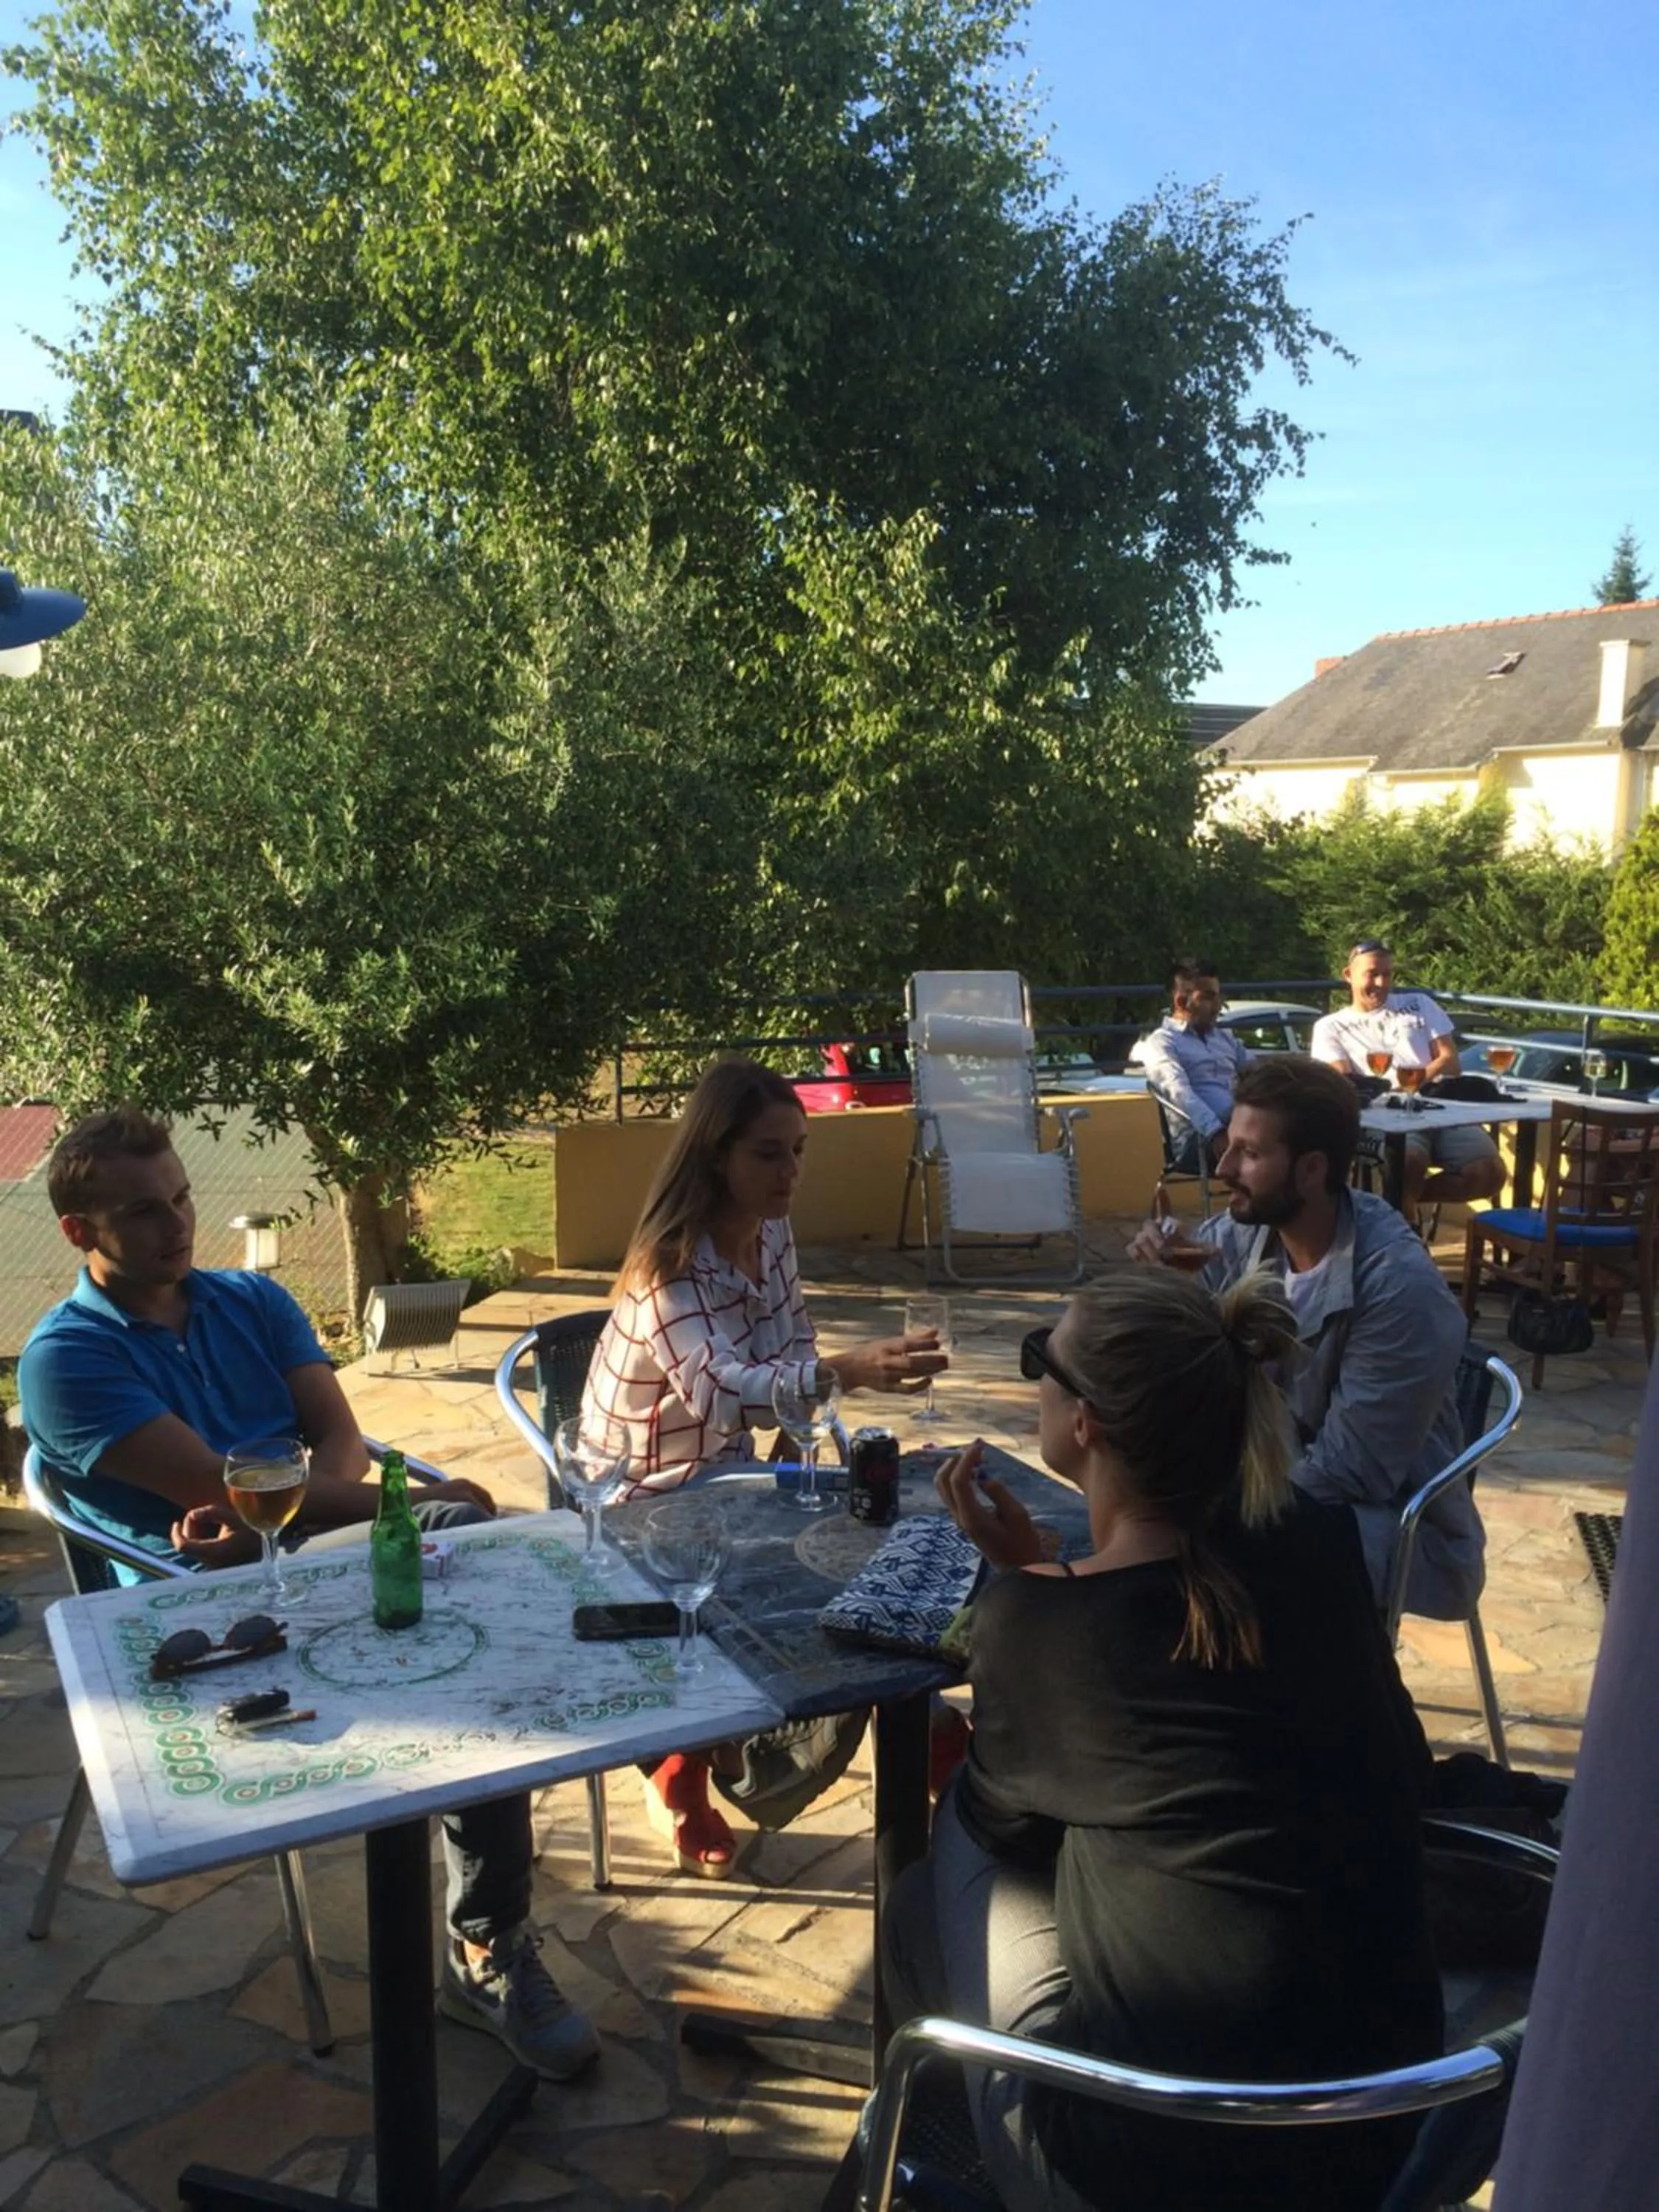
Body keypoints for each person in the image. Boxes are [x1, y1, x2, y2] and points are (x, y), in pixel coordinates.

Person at [19, 1108, 599, 2084]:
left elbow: (335, 1438)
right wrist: (402, 1506)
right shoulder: (66, 1359)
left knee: (476, 1624)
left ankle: (486, 1937)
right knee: (456, 1553)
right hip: (199, 1616)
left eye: (182, 1198)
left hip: (292, 1555)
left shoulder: (251, 1299)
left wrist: (285, 1514)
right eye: (145, 1211)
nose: (177, 1224)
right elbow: (214, 1486)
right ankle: (488, 1941)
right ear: (81, 1231)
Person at [883, 1270, 1442, 2212]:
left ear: (1087, 1423)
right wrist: (1043, 1582)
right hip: (1391, 2117)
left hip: (1163, 2166)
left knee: (937, 1877)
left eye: (1041, 1358)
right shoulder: (1315, 1538)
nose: (1034, 1375)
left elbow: (1003, 1826)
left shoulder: (1052, 1629)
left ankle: (957, 2158)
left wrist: (1021, 1601)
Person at [583, 1057, 948, 1875]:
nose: (790, 1173)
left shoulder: (770, 1233)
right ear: (716, 1155)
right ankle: (690, 1765)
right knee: (818, 1591)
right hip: (640, 1505)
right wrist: (849, 1373)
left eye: (799, 1151)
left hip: (727, 1481)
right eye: (768, 1153)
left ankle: (923, 1732)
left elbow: (792, 1343)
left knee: (875, 1551)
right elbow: (721, 1393)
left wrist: (803, 1442)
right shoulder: (666, 1270)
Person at [1128, 1054, 1479, 1618]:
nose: (1223, 1168)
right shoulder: (1248, 1235)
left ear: (1312, 1169)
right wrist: (1163, 1286)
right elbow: (1182, 1365)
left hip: (1389, 1528)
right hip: (1278, 1485)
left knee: (1175, 1556)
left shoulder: (1398, 1289)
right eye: (1229, 1146)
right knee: (1130, 1498)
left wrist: (1208, 1509)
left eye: (1249, 1153)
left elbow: (1349, 1472)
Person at [1312, 938, 1505, 1211]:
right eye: (1372, 974)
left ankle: (1392, 1204)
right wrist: (1409, 1086)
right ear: (1348, 975)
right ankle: (1403, 1221)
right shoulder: (1330, 1027)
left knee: (1490, 1174)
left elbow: (1451, 1062)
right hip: (1387, 1114)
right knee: (1409, 1162)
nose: (1381, 983)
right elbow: (1344, 1083)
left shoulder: (1419, 1004)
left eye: (1387, 974)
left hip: (1443, 1107)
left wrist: (1410, 1084)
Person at [1135, 954, 1250, 1172]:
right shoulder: (1162, 1043)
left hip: (1239, 1126)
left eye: (1218, 997)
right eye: (1208, 998)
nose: (1218, 1006)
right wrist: (1216, 1131)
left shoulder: (1225, 1038)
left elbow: (1260, 1075)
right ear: (1181, 1002)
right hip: (1198, 1141)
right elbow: (1178, 1092)